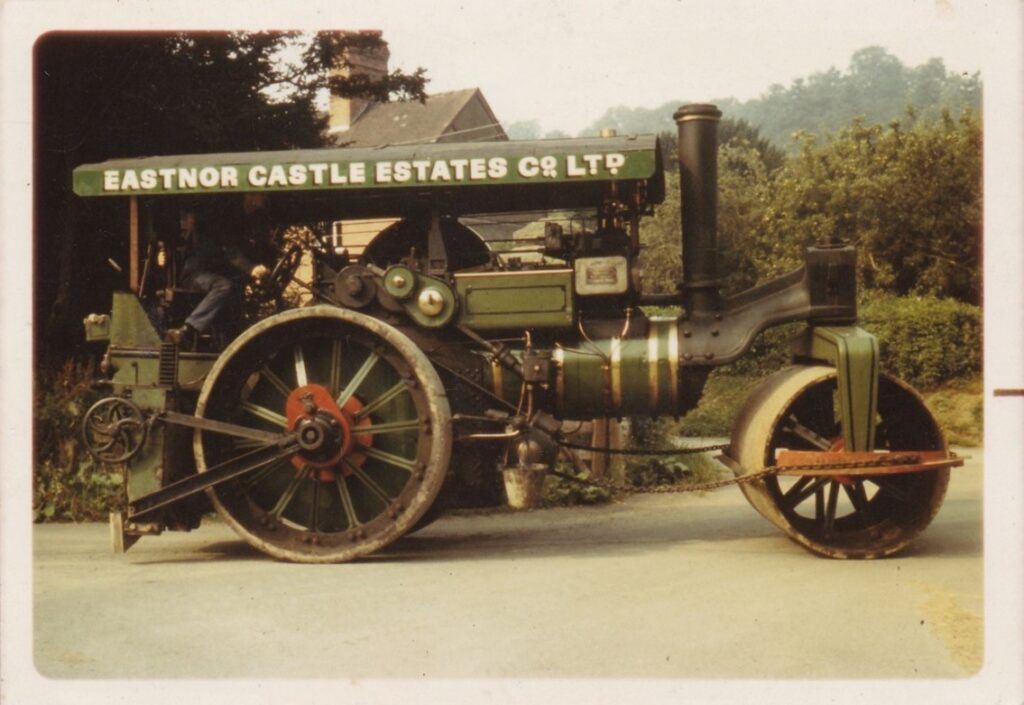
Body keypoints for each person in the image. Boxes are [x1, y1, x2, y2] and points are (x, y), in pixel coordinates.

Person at [166, 201, 269, 349]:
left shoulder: (231, 225)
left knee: (234, 287)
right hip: (194, 276)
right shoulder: (222, 225)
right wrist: (252, 269)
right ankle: (188, 329)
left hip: (209, 276)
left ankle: (231, 345)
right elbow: (233, 255)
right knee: (224, 285)